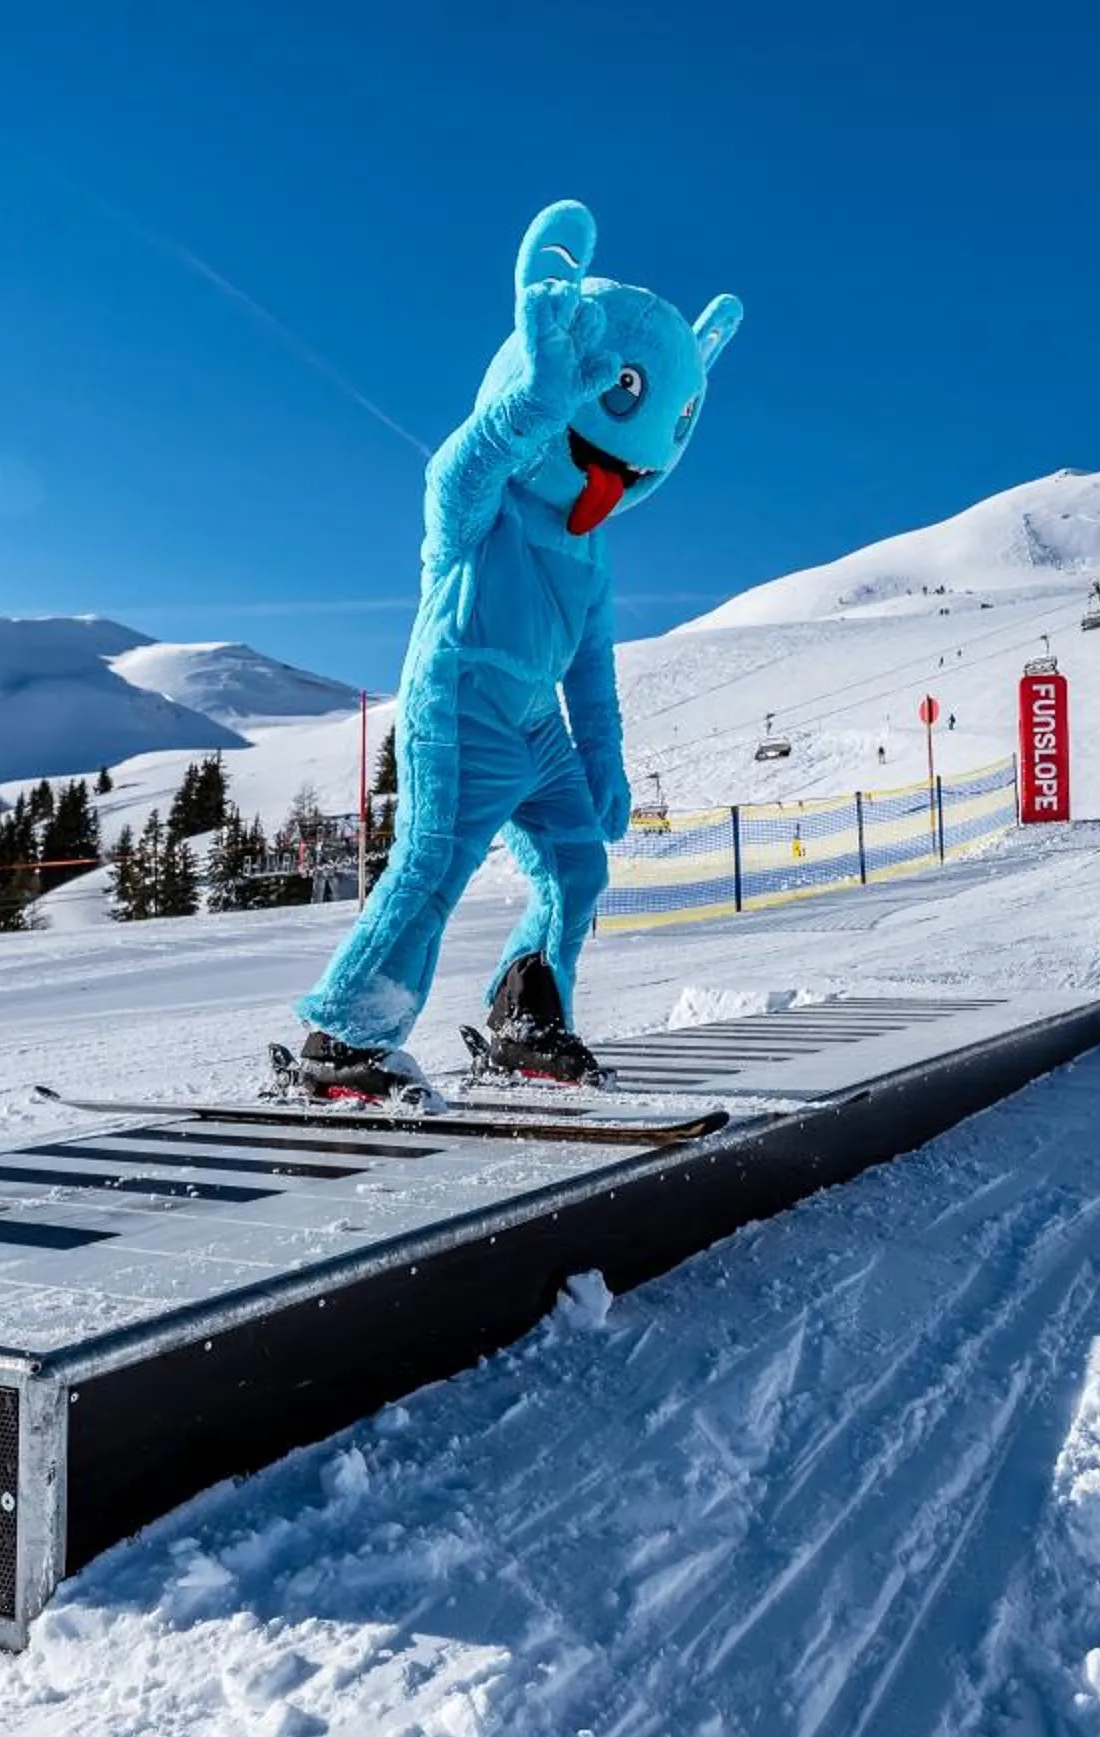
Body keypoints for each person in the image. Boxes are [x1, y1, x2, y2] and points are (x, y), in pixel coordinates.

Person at [284, 201, 744, 1100]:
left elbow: (591, 668)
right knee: (429, 867)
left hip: (535, 724)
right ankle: (341, 1036)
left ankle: (524, 1016)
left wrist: (604, 760)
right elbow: (451, 474)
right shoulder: (484, 506)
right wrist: (533, 402)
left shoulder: (591, 548)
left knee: (578, 866)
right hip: (459, 704)